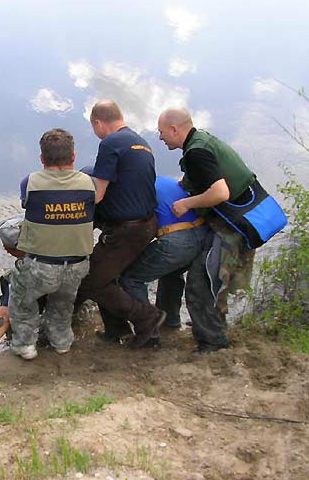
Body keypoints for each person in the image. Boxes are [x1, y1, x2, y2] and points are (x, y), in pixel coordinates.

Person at [157, 108, 256, 353]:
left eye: (162, 132)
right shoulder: (201, 140)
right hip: (238, 221)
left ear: (174, 130)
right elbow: (208, 175)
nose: (160, 137)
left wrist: (186, 203)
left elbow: (221, 192)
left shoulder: (197, 152)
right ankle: (188, 322)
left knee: (201, 282)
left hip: (234, 228)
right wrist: (185, 183)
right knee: (195, 275)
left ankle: (213, 342)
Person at [74, 101, 165, 348]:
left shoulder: (110, 143)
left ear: (98, 123)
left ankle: (147, 317)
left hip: (127, 230)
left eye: (94, 128)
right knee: (106, 275)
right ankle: (116, 331)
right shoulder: (141, 143)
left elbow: (98, 195)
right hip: (147, 224)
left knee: (91, 280)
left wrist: (71, 202)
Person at [8, 128, 95, 360]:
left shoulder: (30, 182)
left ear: (41, 158)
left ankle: (25, 345)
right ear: (73, 157)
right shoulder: (88, 183)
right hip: (78, 265)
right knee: (63, 304)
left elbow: (28, 204)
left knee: (21, 299)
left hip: (41, 266)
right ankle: (61, 342)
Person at [118, 176, 210, 347]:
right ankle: (170, 321)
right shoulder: (162, 180)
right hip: (203, 234)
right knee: (171, 272)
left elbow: (138, 229)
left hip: (178, 241)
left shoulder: (135, 191)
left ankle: (149, 334)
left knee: (130, 278)